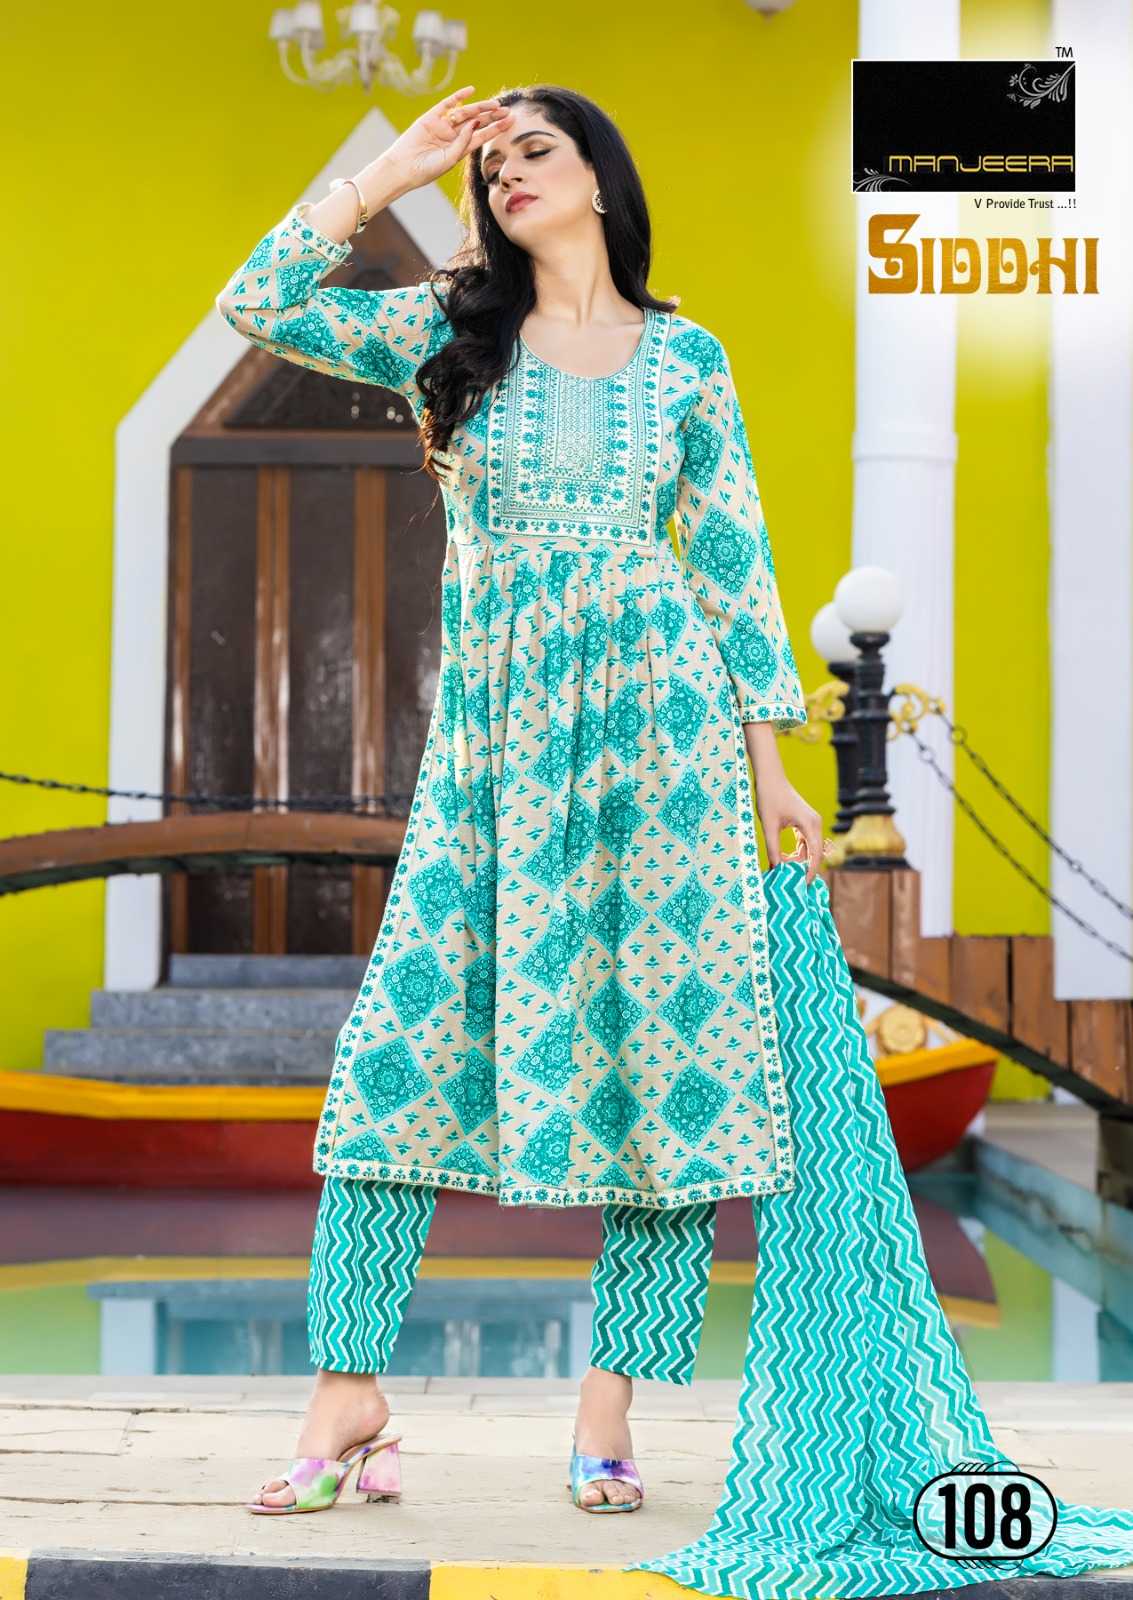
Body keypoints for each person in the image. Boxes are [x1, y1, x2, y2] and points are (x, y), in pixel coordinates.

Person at [214, 81, 1133, 1593]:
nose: (508, 174)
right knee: (398, 1064)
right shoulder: (448, 332)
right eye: (491, 163)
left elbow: (731, 560)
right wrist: (393, 170)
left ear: (601, 177)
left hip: (670, 743)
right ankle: (345, 1395)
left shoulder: (687, 359)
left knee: (667, 1074)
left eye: (536, 151)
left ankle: (607, 1412)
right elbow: (255, 304)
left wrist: (772, 765)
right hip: (496, 755)